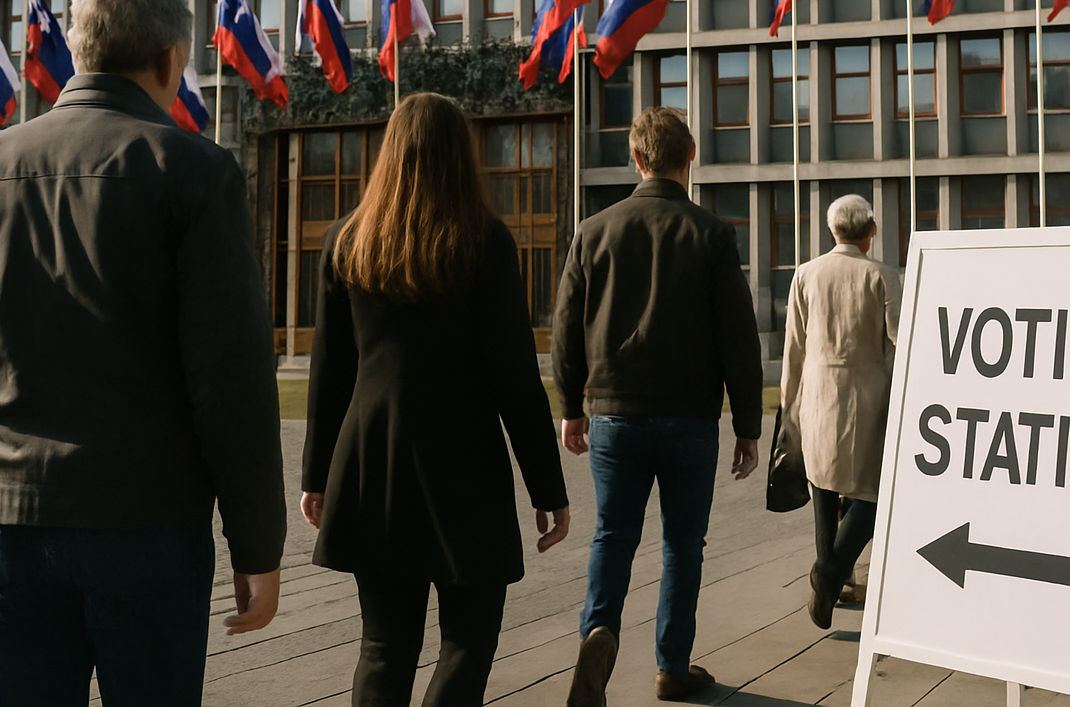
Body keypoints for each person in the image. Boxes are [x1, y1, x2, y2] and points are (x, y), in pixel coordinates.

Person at [0, 0, 287, 706]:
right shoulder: (195, 171)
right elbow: (231, 379)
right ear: (171, 59)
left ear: (78, 51)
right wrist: (257, 545)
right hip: (147, 525)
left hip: (9, 521)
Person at [300, 92, 570, 707]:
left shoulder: (347, 240)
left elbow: (329, 372)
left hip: (373, 460)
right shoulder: (485, 242)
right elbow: (514, 377)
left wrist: (316, 476)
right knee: (469, 642)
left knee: (383, 647)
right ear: (459, 154)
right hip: (464, 463)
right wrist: (547, 489)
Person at [552, 105, 763, 706]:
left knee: (612, 534)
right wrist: (748, 425)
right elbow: (738, 337)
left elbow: (565, 328)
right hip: (690, 418)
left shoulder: (593, 231)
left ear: (635, 158)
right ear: (690, 156)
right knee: (682, 546)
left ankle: (598, 631)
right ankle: (672, 666)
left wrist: (571, 406)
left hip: (614, 413)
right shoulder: (712, 234)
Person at [778, 193, 902, 629]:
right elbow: (901, 339)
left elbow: (794, 345)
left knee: (823, 486)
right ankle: (829, 576)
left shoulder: (806, 274)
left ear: (832, 230)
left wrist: (788, 403)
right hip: (867, 398)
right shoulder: (883, 276)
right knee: (870, 492)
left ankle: (828, 579)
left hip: (816, 394)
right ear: (872, 231)